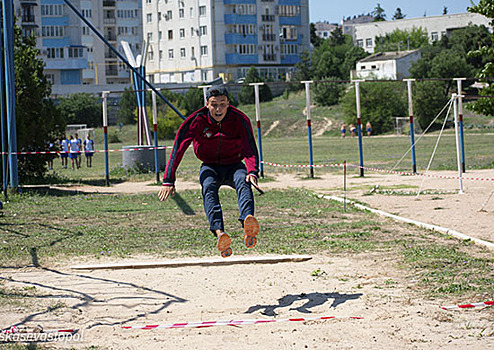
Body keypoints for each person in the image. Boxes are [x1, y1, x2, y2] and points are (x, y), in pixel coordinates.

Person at [158, 85, 261, 258]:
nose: (218, 109)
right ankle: (220, 233)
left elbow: (249, 147)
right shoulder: (196, 120)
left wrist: (252, 171)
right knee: (208, 188)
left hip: (234, 164)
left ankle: (248, 220)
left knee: (244, 182)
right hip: (210, 166)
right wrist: (169, 180)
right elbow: (179, 147)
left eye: (222, 104)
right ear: (207, 104)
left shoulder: (239, 119)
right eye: (214, 104)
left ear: (228, 103)